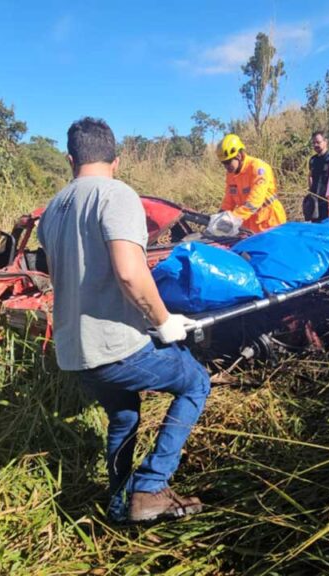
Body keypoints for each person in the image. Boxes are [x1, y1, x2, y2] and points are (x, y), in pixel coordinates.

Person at [36, 117, 211, 524]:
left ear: (70, 159)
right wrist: (165, 321)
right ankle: (151, 486)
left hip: (74, 354)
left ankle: (119, 505)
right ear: (117, 160)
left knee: (124, 414)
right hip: (116, 348)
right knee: (196, 382)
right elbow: (130, 273)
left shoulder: (53, 211)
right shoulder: (116, 195)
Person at [211, 133, 286, 235]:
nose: (226, 166)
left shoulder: (258, 168)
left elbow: (254, 203)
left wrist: (230, 219)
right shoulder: (231, 175)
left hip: (270, 221)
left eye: (228, 162)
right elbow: (228, 202)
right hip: (249, 224)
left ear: (238, 155)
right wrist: (219, 217)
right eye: (223, 163)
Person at [302, 131, 329, 223]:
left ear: (325, 141)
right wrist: (311, 191)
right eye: (314, 143)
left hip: (328, 200)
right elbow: (310, 175)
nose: (316, 145)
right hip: (315, 201)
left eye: (318, 142)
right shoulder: (313, 160)